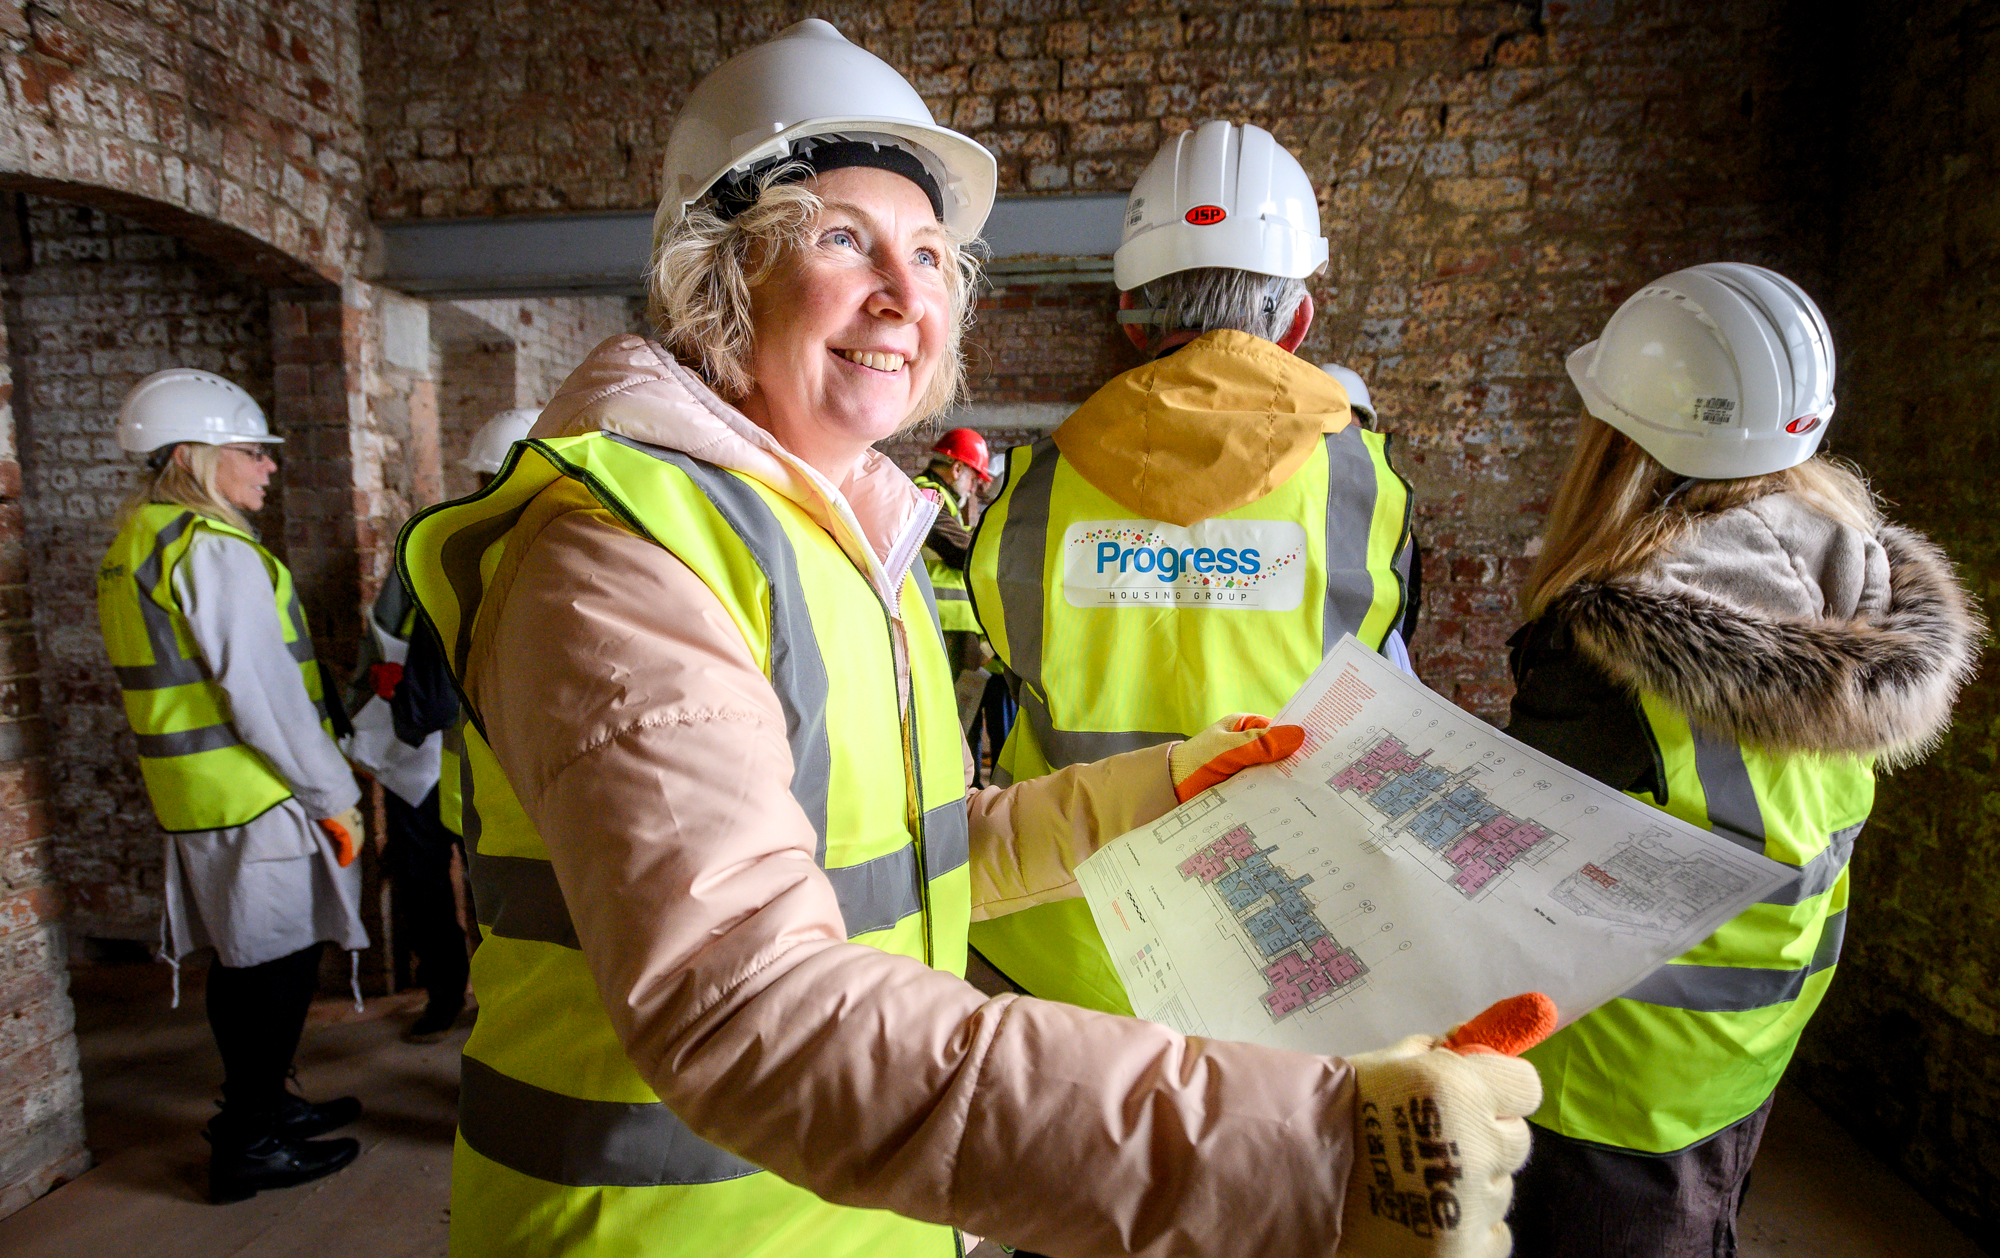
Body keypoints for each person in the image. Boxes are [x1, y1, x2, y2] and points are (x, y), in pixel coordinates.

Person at [400, 21, 1540, 1258]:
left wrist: (1152, 791)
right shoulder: (619, 552)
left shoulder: (839, 529)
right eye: (843, 239)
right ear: (717, 271)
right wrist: (1311, 1149)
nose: (904, 294)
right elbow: (748, 1008)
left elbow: (911, 861)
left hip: (851, 1215)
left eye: (932, 255)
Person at [1499, 263, 1981, 1256]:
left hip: (1603, 1075)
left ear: (1621, 435)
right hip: (1743, 1054)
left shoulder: (1600, 645)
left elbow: (1506, 857)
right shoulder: (1849, 575)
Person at [963, 119, 1419, 1014]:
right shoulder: (1366, 484)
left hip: (1058, 937)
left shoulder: (1029, 489)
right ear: (1298, 316)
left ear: (1133, 315)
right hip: (1275, 941)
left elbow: (1010, 670)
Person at [96, 368, 369, 1203]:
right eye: (252, 452)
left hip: (203, 797)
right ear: (194, 456)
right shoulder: (210, 552)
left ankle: (261, 1108)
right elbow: (265, 698)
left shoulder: (140, 542)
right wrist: (335, 794)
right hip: (256, 796)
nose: (268, 467)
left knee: (250, 961)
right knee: (272, 969)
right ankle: (249, 1141)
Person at [347, 408, 534, 1042]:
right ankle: (452, 994)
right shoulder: (436, 544)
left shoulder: (528, 548)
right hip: (429, 753)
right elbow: (386, 642)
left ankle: (482, 1001)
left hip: (461, 756)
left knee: (478, 889)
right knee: (437, 883)